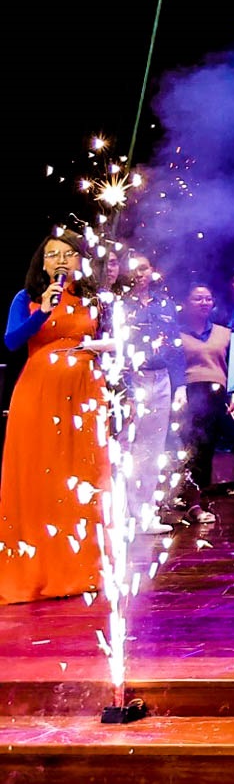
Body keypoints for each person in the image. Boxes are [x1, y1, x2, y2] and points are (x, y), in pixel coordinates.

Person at [0, 236, 105, 604]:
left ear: (80, 260)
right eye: (52, 255)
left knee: (79, 479)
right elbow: (12, 342)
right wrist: (42, 311)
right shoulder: (25, 298)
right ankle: (38, 569)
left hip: (85, 394)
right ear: (42, 263)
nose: (60, 260)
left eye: (68, 254)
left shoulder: (92, 299)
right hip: (39, 395)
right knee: (39, 476)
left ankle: (77, 569)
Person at [173, 283, 229, 523]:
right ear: (186, 303)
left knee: (207, 450)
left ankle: (198, 500)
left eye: (208, 298)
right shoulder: (177, 335)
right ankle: (189, 502)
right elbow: (175, 366)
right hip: (189, 392)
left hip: (217, 394)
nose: (204, 302)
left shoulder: (225, 333)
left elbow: (233, 366)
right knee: (190, 448)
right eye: (198, 298)